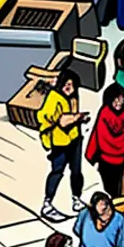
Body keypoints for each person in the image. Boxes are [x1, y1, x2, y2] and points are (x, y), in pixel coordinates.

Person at [37, 70, 89, 222]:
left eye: (72, 85)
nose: (69, 87)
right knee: (57, 171)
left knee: (77, 172)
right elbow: (61, 121)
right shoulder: (54, 98)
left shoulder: (73, 97)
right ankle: (47, 204)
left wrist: (78, 119)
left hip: (75, 139)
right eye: (66, 84)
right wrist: (77, 117)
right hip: (59, 142)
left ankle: (76, 199)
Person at [85, 83, 124, 197]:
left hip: (120, 158)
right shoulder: (105, 113)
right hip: (108, 158)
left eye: (121, 100)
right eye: (116, 100)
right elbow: (101, 137)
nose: (119, 103)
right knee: (110, 187)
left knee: (117, 187)